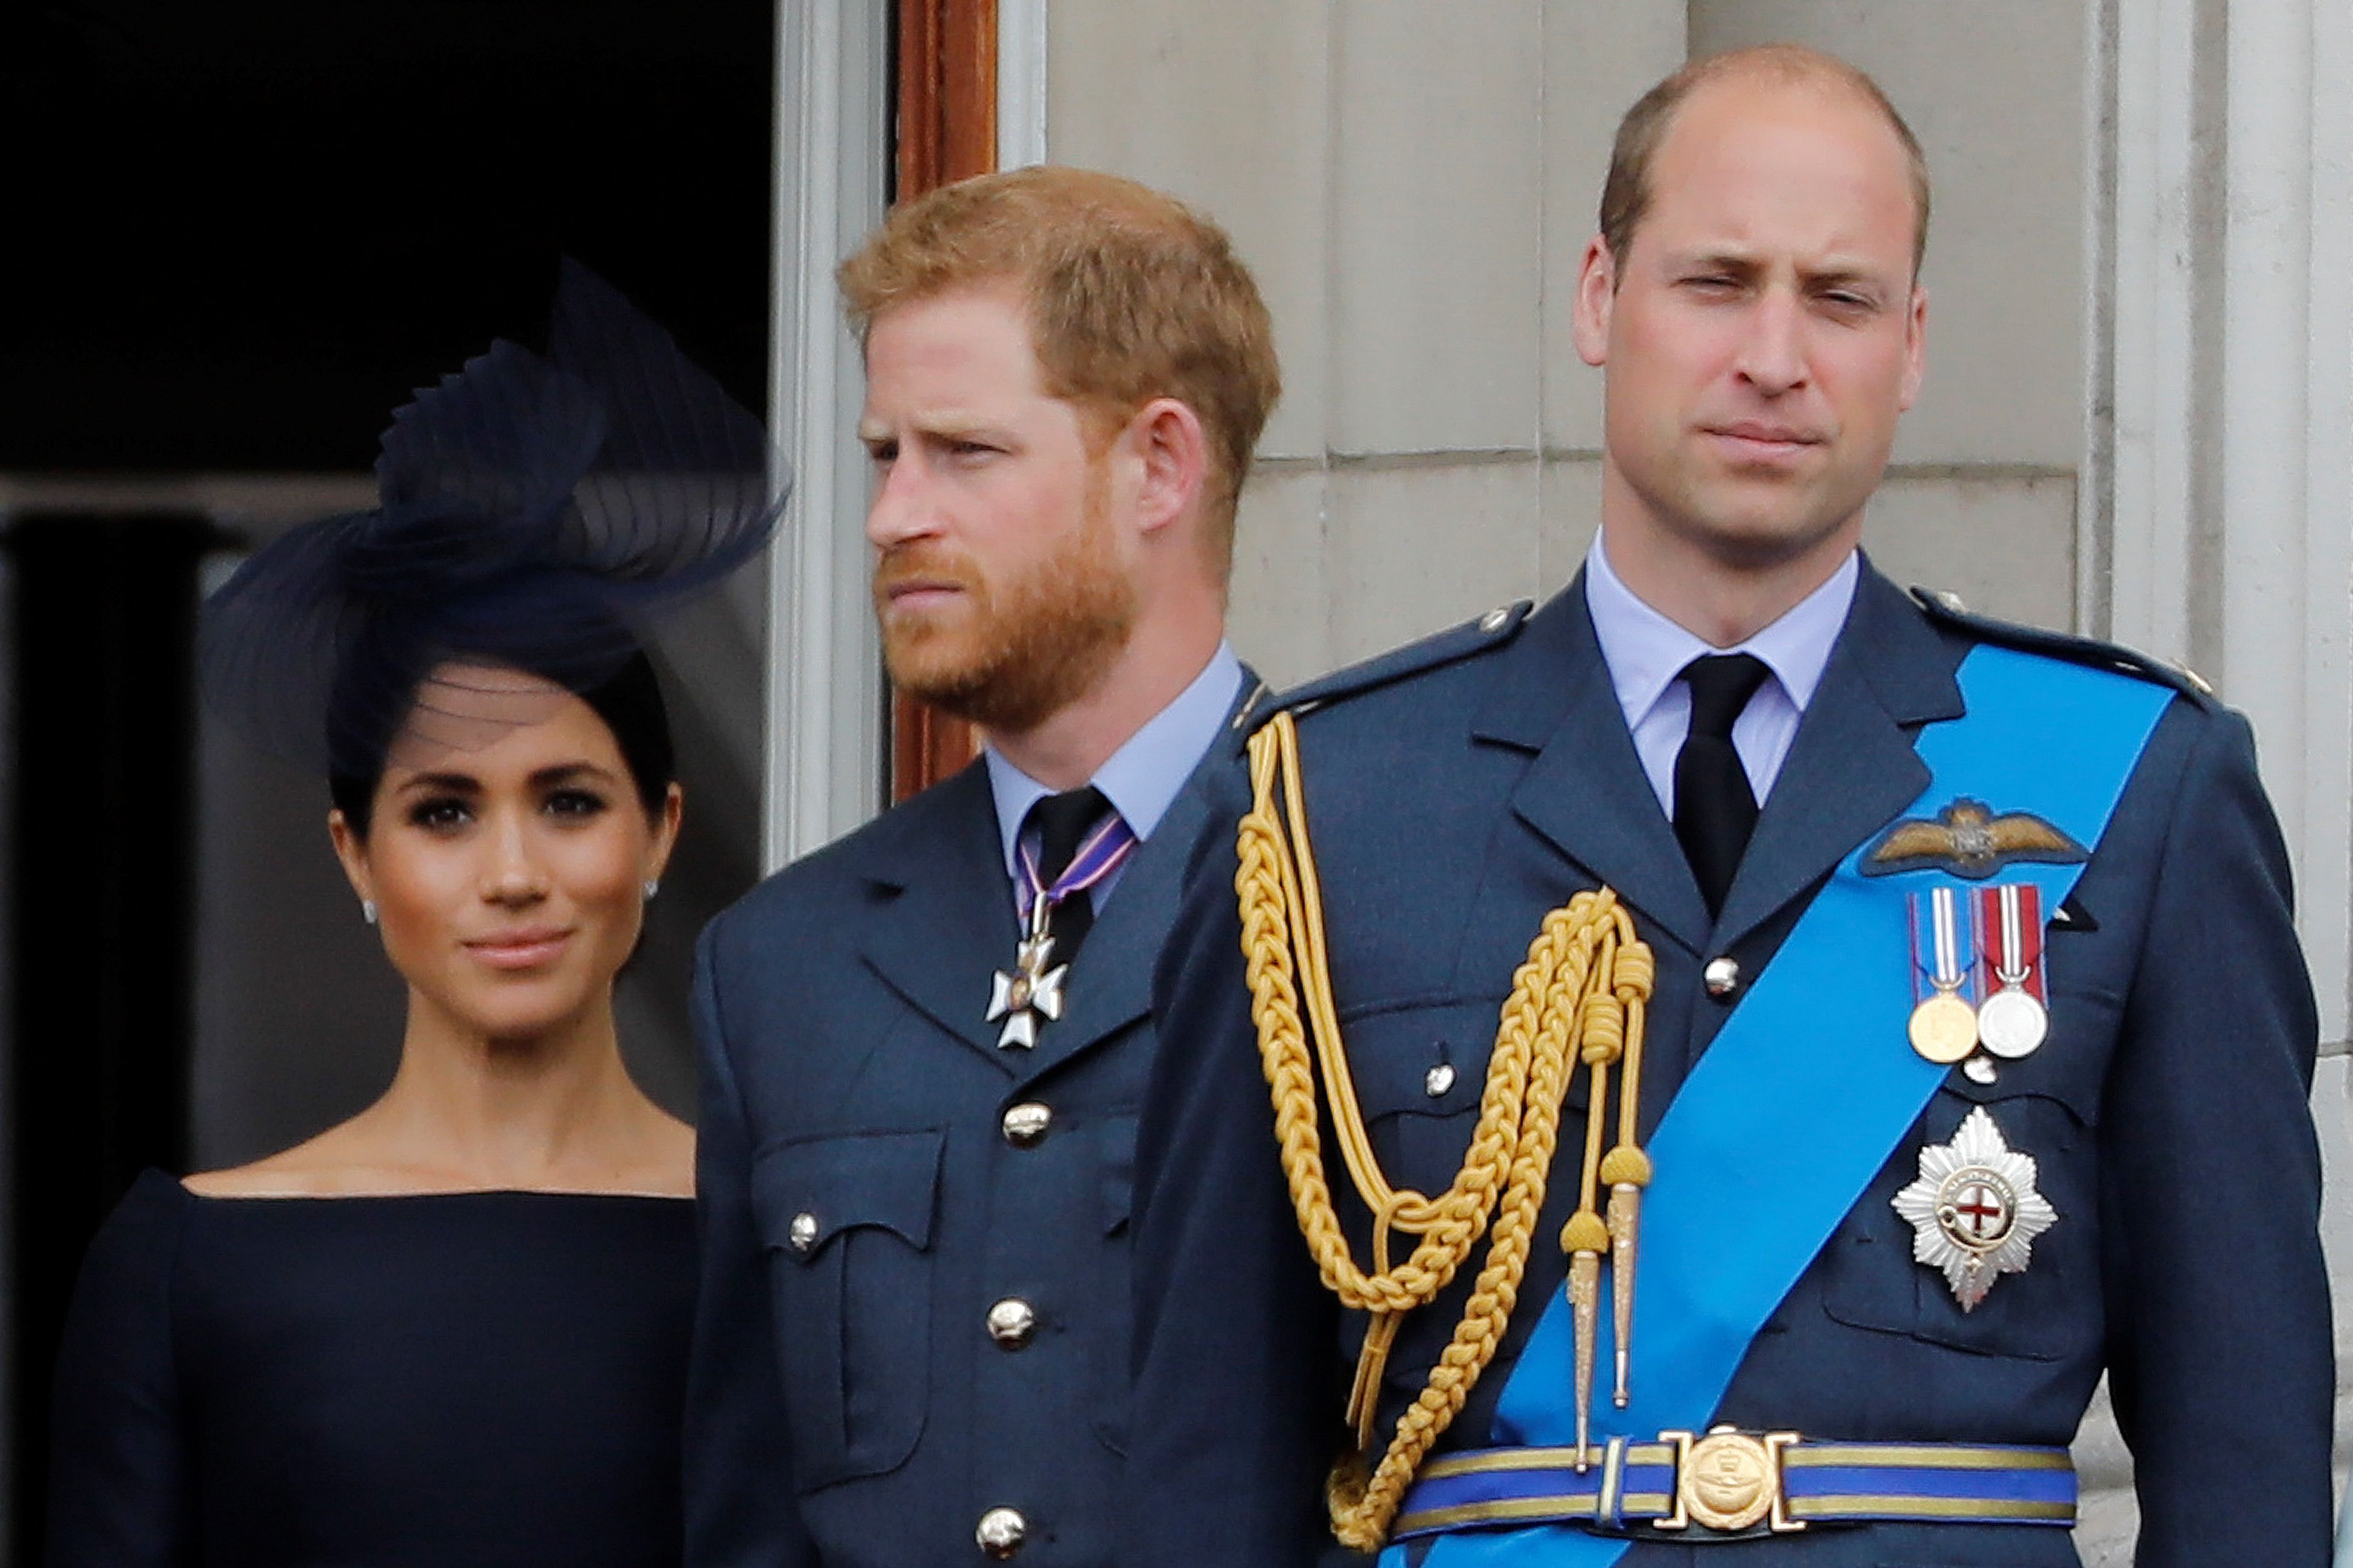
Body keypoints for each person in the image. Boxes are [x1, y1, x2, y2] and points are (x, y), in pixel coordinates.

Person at [1126, 44, 2335, 1568]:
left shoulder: (2133, 784)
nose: (1774, 354)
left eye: (1836, 298)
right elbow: (1203, 1472)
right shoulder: (1324, 805)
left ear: (1909, 345)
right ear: (1595, 297)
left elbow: (2245, 1459)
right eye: (1714, 282)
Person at [45, 263, 781, 1568]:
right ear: (356, 853)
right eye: (445, 811)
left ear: (660, 831)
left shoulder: (784, 1248)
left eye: (567, 801)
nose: (511, 872)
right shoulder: (187, 1264)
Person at [685, 165, 1280, 1567]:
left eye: (962, 452)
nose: (891, 513)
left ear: (1159, 465)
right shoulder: (783, 961)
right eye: (884, 453)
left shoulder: (1377, 885)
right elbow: (744, 1513)